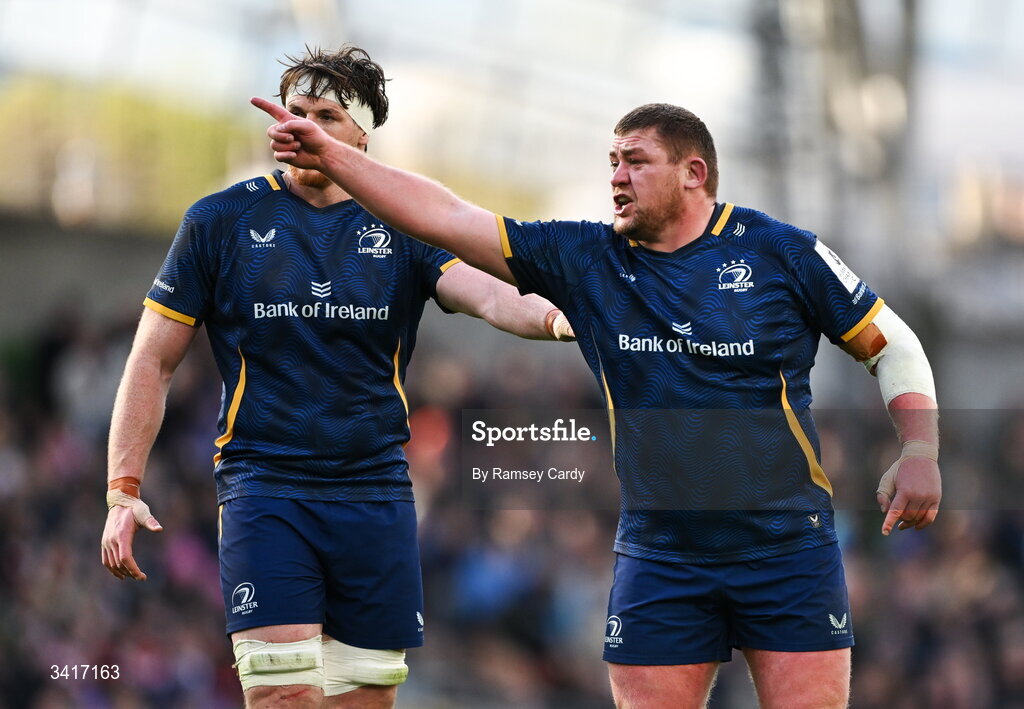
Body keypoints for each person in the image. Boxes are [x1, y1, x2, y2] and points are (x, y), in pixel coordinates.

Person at [252, 97, 942, 708]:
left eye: (634, 162)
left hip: (787, 550)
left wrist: (919, 448)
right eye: (611, 161)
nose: (615, 176)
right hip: (662, 555)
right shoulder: (587, 258)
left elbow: (894, 346)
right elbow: (448, 217)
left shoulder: (782, 254)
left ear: (693, 173)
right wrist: (337, 161)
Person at [100, 46, 574, 709]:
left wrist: (562, 317)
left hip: (374, 496)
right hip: (266, 489)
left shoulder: (406, 222)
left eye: (324, 116)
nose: (303, 126)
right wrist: (123, 490)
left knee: (361, 703)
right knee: (284, 695)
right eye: (295, 111)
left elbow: (494, 295)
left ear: (360, 136)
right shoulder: (220, 222)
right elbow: (153, 358)